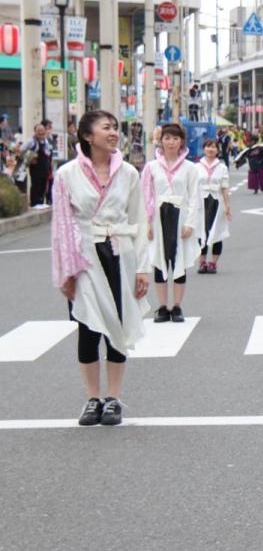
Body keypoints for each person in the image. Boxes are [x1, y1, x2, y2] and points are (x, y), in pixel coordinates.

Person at [52, 110, 151, 426]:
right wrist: (65, 271)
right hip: (84, 258)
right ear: (87, 136)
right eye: (106, 127)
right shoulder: (66, 174)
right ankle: (92, 398)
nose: (113, 133)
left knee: (118, 329)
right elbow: (62, 225)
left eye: (115, 128)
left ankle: (114, 399)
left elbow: (138, 220)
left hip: (120, 253)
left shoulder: (129, 174)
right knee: (87, 328)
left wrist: (142, 269)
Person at [142, 123, 201, 323]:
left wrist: (190, 223)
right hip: (158, 218)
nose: (171, 142)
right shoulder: (151, 167)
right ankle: (161, 307)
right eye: (167, 138)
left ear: (182, 141)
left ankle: (176, 306)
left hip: (180, 217)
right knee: (159, 262)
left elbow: (195, 197)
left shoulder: (190, 168)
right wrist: (146, 224)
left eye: (176, 138)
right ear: (161, 140)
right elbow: (145, 196)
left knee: (179, 262)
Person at [196, 138, 233, 274]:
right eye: (208, 147)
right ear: (204, 149)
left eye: (213, 147)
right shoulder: (197, 167)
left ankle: (213, 263)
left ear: (218, 150)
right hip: (201, 202)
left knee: (217, 233)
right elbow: (192, 187)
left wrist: (228, 206)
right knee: (201, 233)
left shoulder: (222, 167)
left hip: (217, 202)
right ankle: (202, 262)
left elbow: (224, 188)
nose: (210, 149)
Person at [23, 121, 54, 207]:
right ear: (35, 131)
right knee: (36, 185)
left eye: (42, 130)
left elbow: (48, 153)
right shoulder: (31, 141)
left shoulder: (46, 141)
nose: (41, 132)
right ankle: (34, 203)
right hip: (35, 168)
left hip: (45, 167)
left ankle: (41, 202)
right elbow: (21, 151)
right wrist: (29, 159)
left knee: (44, 185)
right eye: (38, 130)